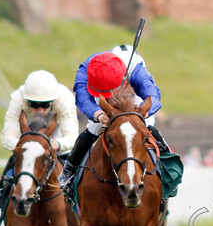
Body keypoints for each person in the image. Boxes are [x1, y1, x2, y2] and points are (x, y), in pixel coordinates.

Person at [59, 49, 169, 189]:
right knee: (93, 128)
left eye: (108, 93)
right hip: (100, 101)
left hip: (130, 95)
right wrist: (97, 114)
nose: (108, 96)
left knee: (145, 126)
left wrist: (142, 111)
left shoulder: (136, 69)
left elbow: (152, 94)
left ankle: (168, 170)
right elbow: (82, 97)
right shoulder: (86, 70)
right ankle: (68, 171)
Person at [0, 70, 79, 218]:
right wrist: (28, 146)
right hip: (27, 134)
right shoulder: (18, 98)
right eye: (34, 105)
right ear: (27, 100)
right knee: (21, 158)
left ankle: (79, 206)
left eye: (45, 105)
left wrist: (56, 144)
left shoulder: (64, 98)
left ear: (53, 101)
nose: (41, 111)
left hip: (55, 133)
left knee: (74, 165)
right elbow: (7, 136)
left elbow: (72, 137)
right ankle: (1, 192)